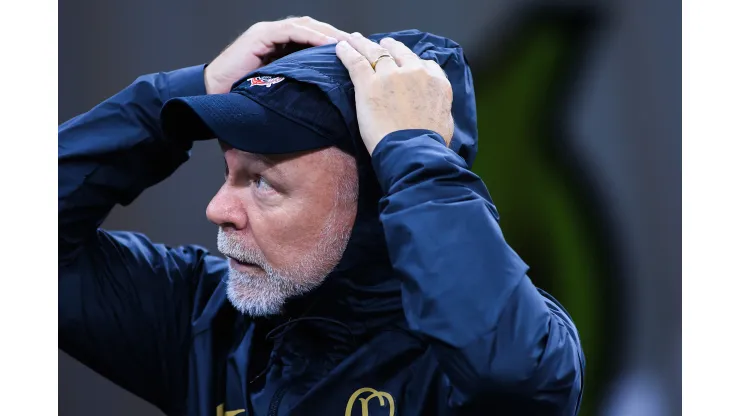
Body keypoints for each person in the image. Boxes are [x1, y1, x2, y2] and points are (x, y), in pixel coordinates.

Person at [59, 17, 585, 416]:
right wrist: (184, 92)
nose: (218, 208)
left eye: (263, 181)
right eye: (228, 171)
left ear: (376, 204)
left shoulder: (493, 354)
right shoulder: (207, 320)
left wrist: (412, 152)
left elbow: (512, 376)